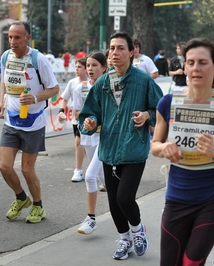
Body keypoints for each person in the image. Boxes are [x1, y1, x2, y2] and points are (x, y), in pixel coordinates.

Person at [150, 38, 214, 265]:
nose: (195, 68)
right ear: (184, 67)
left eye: (202, 62)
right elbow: (154, 146)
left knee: (191, 261)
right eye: (190, 62)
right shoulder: (168, 103)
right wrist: (164, 147)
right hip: (176, 199)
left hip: (212, 201)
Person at [79, 31, 163, 260]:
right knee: (114, 201)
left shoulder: (143, 80)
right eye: (112, 48)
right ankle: (124, 239)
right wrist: (91, 121)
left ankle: (138, 231)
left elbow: (162, 109)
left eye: (120, 48)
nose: (115, 53)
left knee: (124, 198)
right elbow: (90, 113)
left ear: (132, 52)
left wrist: (147, 115)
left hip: (134, 148)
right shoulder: (103, 83)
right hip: (108, 149)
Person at [0, 21, 59, 223]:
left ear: (27, 38)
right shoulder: (6, 56)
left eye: (17, 37)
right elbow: (4, 81)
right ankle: (22, 198)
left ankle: (38, 206)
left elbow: (54, 89)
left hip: (33, 123)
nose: (13, 41)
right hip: (11, 121)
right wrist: (1, 102)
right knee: (4, 167)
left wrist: (35, 98)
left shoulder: (38, 59)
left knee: (26, 169)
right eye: (10, 37)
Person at [73, 51, 107, 235]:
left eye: (94, 65)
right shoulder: (81, 88)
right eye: (88, 66)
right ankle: (126, 207)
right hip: (88, 137)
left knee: (90, 176)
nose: (90, 69)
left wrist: (98, 119)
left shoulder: (109, 88)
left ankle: (91, 219)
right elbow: (77, 113)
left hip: (105, 138)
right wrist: (86, 122)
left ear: (104, 68)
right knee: (104, 179)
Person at [57, 57, 88, 182]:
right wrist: (61, 111)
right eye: (75, 67)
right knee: (78, 141)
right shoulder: (72, 82)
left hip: (92, 118)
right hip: (77, 119)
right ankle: (78, 170)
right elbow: (64, 98)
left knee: (90, 145)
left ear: (86, 69)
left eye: (79, 67)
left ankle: (97, 169)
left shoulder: (93, 82)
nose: (76, 69)